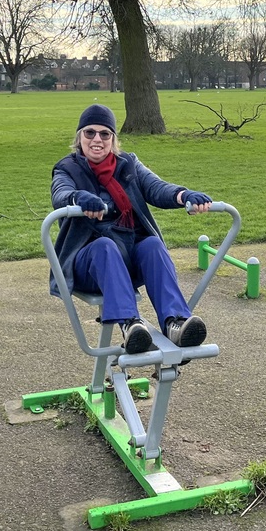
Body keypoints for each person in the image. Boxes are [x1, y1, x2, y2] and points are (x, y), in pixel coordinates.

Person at [50, 104, 213, 354]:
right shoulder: (67, 168)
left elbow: (156, 187)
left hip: (126, 258)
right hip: (89, 263)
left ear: (113, 139)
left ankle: (175, 322)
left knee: (152, 244)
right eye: (90, 133)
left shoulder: (128, 164)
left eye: (105, 134)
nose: (97, 140)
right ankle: (130, 324)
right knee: (105, 246)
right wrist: (78, 198)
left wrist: (183, 195)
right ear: (79, 137)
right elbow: (60, 193)